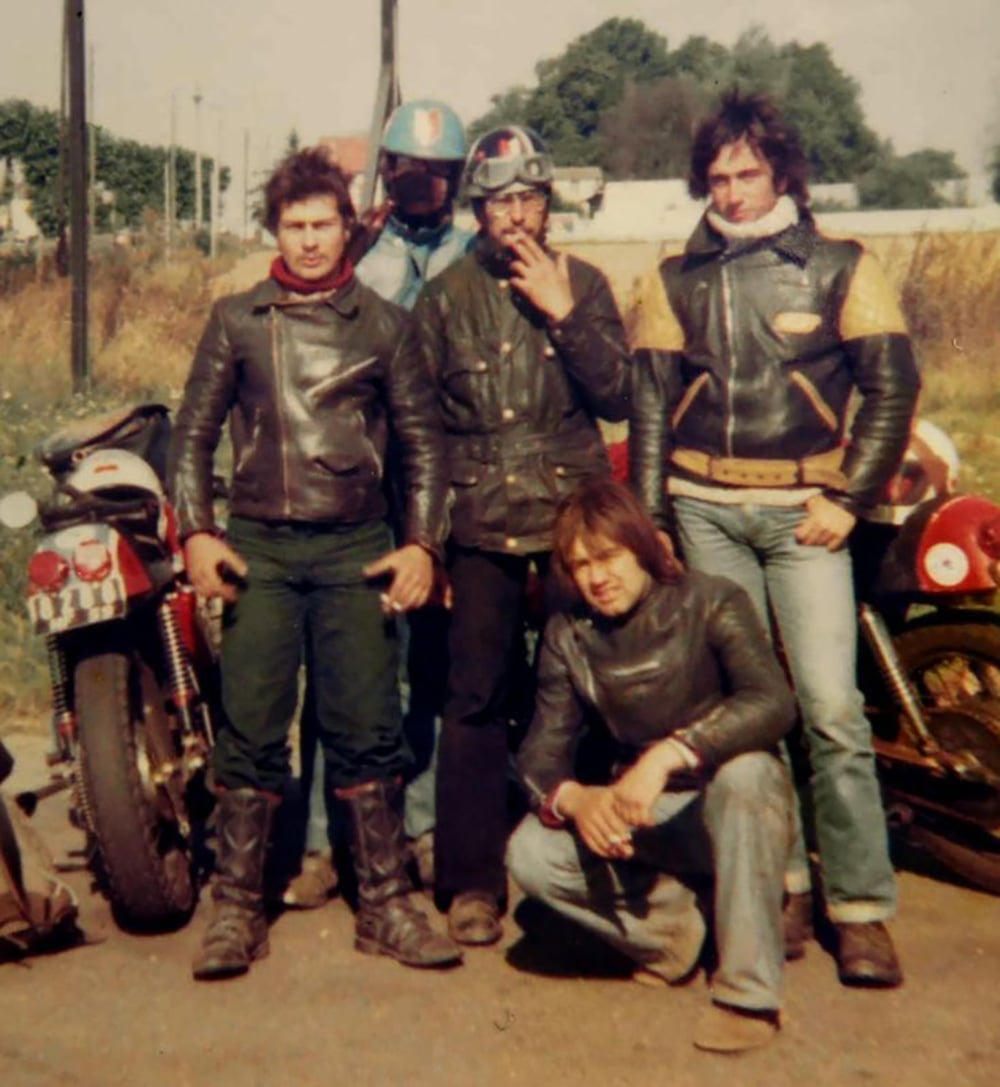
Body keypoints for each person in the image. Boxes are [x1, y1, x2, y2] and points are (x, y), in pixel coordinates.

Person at [629, 90, 921, 987]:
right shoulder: (671, 276)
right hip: (705, 511)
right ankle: (783, 884)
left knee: (832, 709)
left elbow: (893, 389)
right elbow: (648, 412)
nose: (734, 189)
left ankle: (862, 907)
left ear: (782, 172)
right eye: (718, 175)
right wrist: (654, 527)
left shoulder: (843, 265)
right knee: (753, 710)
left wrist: (851, 494)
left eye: (749, 171)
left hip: (806, 516)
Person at [168, 148, 461, 980]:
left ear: (348, 227)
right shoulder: (234, 320)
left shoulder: (385, 326)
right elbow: (192, 435)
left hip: (356, 551)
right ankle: (235, 906)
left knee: (368, 727)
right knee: (251, 727)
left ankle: (384, 902)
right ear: (275, 231)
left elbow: (424, 447)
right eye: (293, 226)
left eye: (322, 224)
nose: (307, 241)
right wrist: (196, 533)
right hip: (256, 549)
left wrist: (421, 544)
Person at [412, 125, 631, 945]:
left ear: (547, 205)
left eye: (529, 198)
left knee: (593, 680)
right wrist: (428, 542)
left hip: (574, 516)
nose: (516, 215)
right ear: (478, 207)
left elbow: (615, 396)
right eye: (501, 200)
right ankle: (471, 880)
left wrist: (565, 312)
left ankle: (604, 860)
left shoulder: (589, 284)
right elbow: (421, 433)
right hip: (478, 516)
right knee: (473, 695)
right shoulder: (442, 299)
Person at [507, 478, 796, 1053]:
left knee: (749, 773)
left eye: (609, 556)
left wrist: (672, 752)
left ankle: (748, 992)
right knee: (531, 854)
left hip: (731, 807)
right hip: (647, 815)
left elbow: (772, 702)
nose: (597, 577)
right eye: (580, 564)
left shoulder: (712, 598)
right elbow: (542, 749)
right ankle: (675, 936)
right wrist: (578, 799)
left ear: (642, 547)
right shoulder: (568, 635)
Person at [286, 100, 474, 909]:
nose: (420, 185)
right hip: (370, 486)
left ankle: (423, 828)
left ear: (458, 179)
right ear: (385, 175)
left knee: (435, 666)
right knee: (347, 670)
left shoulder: (480, 256)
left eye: (435, 173)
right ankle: (325, 842)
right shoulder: (358, 260)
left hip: (458, 485)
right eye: (405, 169)